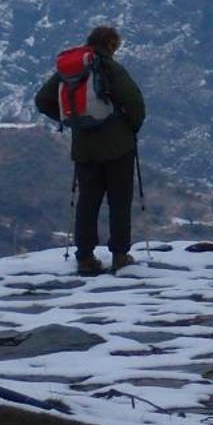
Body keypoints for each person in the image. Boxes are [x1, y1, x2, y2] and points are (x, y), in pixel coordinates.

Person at [34, 23, 146, 276]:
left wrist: (69, 119)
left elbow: (42, 100)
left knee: (87, 200)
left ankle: (85, 257)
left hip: (84, 146)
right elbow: (135, 102)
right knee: (119, 200)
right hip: (118, 146)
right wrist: (131, 126)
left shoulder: (70, 70)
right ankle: (119, 255)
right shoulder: (110, 67)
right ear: (110, 45)